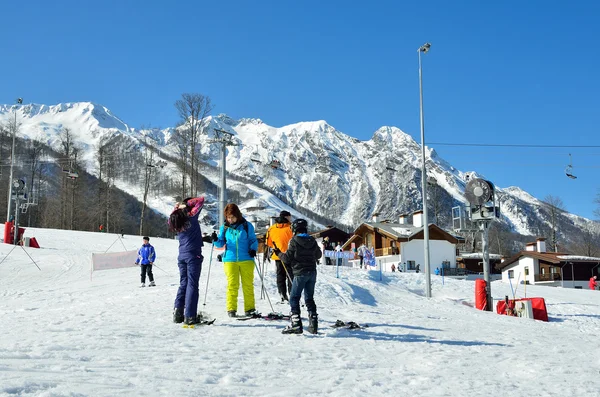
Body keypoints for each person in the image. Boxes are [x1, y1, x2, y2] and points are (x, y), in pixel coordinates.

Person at [274, 219, 322, 334]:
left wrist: (278, 253)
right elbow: (319, 255)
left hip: (300, 272)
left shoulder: (294, 241)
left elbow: (287, 259)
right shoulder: (312, 240)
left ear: (294, 229)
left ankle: (296, 324)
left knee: (294, 298)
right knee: (309, 298)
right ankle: (313, 324)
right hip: (312, 272)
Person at [212, 203, 259, 318]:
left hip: (246, 258)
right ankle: (231, 309)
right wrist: (215, 239)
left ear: (237, 215)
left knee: (248, 285)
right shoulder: (225, 227)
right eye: (228, 217)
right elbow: (220, 243)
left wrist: (253, 249)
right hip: (230, 259)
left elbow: (253, 240)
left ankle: (250, 309)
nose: (230, 219)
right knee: (232, 285)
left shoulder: (247, 226)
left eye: (232, 217)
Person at [169, 197, 205, 325]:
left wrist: (177, 208)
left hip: (182, 255)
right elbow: (201, 200)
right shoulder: (191, 216)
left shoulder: (175, 220)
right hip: (193, 254)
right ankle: (190, 316)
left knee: (183, 283)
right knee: (192, 285)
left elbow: (172, 216)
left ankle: (178, 313)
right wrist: (186, 204)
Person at [266, 210, 294, 303]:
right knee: (291, 275)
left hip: (277, 255)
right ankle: (292, 294)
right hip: (289, 255)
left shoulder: (271, 228)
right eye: (290, 217)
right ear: (287, 217)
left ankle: (282, 294)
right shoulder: (291, 227)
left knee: (280, 275)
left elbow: (268, 242)